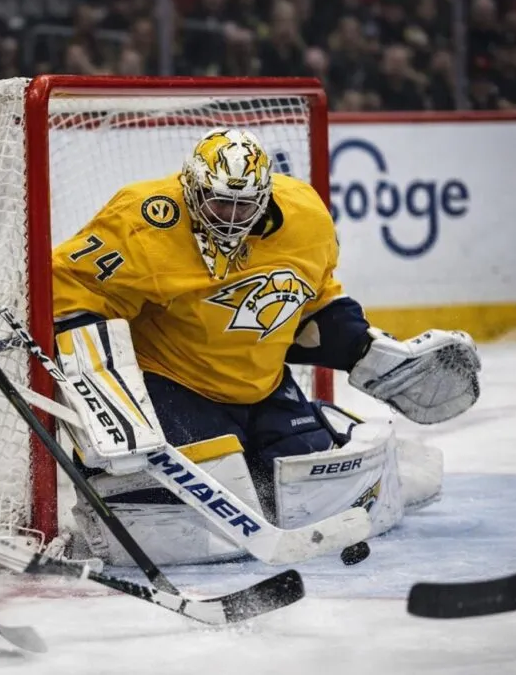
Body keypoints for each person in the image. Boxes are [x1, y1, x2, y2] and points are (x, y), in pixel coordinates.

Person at [51, 128, 481, 566]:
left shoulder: (305, 216)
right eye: (219, 202)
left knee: (318, 494)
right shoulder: (145, 221)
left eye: (244, 205)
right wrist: (101, 386)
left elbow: (312, 301)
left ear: (266, 196)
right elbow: (70, 292)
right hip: (173, 381)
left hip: (264, 385)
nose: (231, 218)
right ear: (191, 188)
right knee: (203, 523)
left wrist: (365, 349)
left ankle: (324, 429)